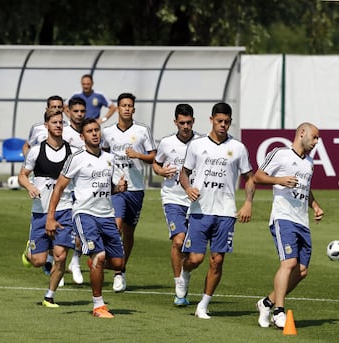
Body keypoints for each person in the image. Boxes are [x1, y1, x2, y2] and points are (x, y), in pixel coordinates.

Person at [177, 102, 255, 319]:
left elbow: (249, 178)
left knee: (217, 260)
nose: (223, 125)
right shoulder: (197, 145)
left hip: (226, 212)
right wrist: (188, 187)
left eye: (227, 122)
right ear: (211, 119)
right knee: (196, 258)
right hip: (200, 210)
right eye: (219, 121)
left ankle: (203, 304)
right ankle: (184, 272)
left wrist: (248, 202)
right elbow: (184, 172)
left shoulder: (238, 148)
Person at [45, 118, 127, 318]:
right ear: (82, 137)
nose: (95, 134)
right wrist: (51, 217)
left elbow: (109, 190)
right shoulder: (77, 158)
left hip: (107, 214)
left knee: (118, 263)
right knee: (99, 256)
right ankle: (98, 306)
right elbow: (59, 187)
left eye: (97, 130)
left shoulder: (110, 158)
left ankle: (93, 263)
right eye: (90, 131)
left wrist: (118, 189)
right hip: (84, 214)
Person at [255, 122, 324, 329]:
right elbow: (258, 176)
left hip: (302, 220)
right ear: (302, 133)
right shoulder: (280, 153)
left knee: (302, 271)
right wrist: (280, 180)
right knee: (289, 263)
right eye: (314, 137)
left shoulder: (309, 163)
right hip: (283, 217)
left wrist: (315, 206)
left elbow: (306, 189)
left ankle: (266, 302)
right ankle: (279, 311)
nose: (316, 141)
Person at [19, 107, 75, 308]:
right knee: (38, 261)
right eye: (55, 122)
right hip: (40, 211)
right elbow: (22, 175)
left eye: (61, 122)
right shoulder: (36, 151)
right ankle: (30, 251)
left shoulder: (72, 152)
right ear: (46, 126)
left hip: (64, 210)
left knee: (60, 256)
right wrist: (30, 185)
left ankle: (49, 296)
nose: (59, 126)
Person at [102, 92, 156, 292]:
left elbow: (153, 157)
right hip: (117, 188)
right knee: (115, 226)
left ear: (133, 109)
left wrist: (138, 155)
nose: (126, 108)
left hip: (136, 189)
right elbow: (102, 155)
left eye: (129, 106)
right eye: (123, 105)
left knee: (128, 232)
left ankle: (120, 270)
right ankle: (113, 266)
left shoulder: (142, 131)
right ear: (118, 108)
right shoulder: (107, 132)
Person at [152, 103, 199, 306]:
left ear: (193, 121)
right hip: (173, 198)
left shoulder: (202, 142)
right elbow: (156, 163)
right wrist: (160, 171)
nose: (185, 126)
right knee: (178, 241)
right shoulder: (166, 143)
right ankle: (178, 283)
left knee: (193, 252)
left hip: (196, 201)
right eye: (182, 123)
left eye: (188, 123)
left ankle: (184, 277)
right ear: (175, 122)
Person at [63, 97, 87, 285]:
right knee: (61, 228)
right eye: (76, 111)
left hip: (83, 190)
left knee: (81, 229)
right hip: (64, 189)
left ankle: (76, 261)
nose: (79, 114)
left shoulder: (90, 131)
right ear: (69, 112)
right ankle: (57, 266)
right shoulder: (63, 133)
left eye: (82, 111)